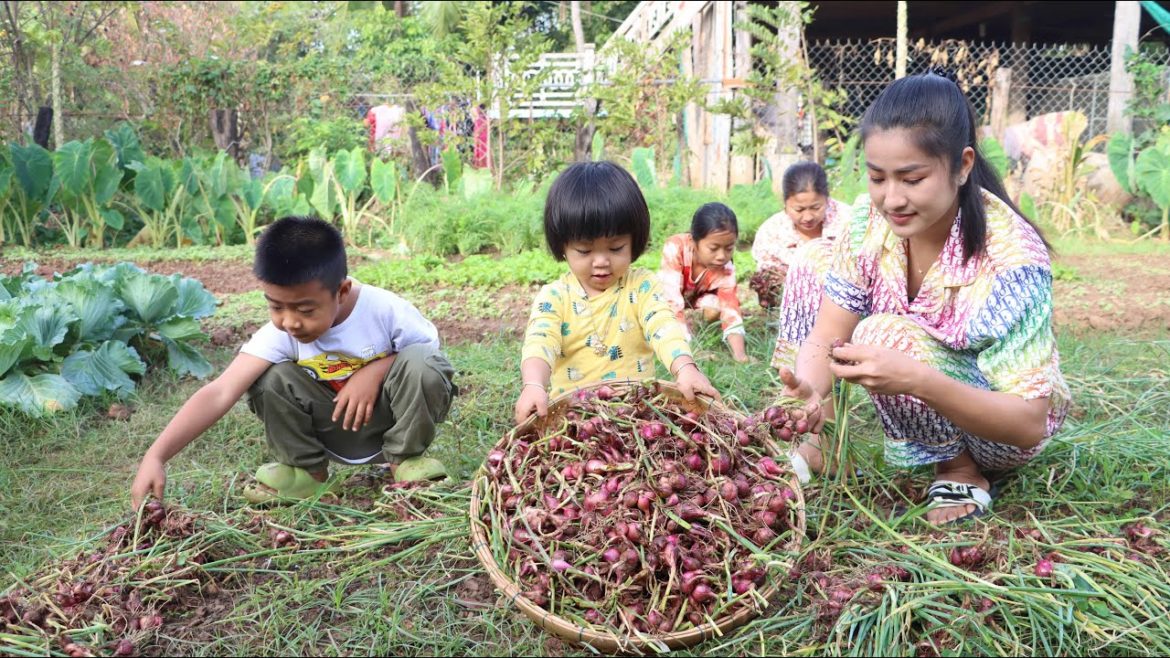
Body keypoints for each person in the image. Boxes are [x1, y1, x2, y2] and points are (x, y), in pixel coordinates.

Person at [776, 71, 1071, 526]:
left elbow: (1028, 421)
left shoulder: (1012, 259)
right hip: (919, 383)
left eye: (911, 179)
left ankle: (959, 470)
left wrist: (917, 380)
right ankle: (818, 445)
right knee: (812, 259)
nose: (891, 199)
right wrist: (811, 393)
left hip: (1000, 432)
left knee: (883, 335)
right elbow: (828, 331)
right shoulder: (868, 227)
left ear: (963, 165)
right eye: (878, 178)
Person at [131, 217, 457, 508]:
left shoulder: (385, 310)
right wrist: (156, 455)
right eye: (276, 307)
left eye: (304, 310)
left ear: (342, 291)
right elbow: (219, 392)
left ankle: (405, 463)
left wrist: (374, 370)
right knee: (271, 378)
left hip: (391, 420)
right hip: (330, 425)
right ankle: (308, 475)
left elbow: (428, 358)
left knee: (423, 362)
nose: (290, 322)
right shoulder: (281, 335)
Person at [514, 161, 720, 425]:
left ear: (634, 241)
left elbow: (664, 327)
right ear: (562, 245)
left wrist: (686, 369)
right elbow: (540, 343)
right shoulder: (555, 297)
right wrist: (533, 385)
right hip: (573, 422)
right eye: (585, 251)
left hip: (637, 418)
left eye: (616, 248)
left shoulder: (642, 287)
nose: (601, 261)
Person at [750, 163, 851, 310]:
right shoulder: (771, 233)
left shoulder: (848, 220)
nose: (808, 217)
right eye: (799, 209)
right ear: (785, 203)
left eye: (816, 208)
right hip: (793, 308)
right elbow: (769, 283)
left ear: (827, 199)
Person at [657, 202, 750, 363]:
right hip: (664, 301)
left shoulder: (725, 267)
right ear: (694, 241)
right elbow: (672, 303)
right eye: (713, 248)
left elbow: (730, 309)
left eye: (729, 248)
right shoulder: (676, 248)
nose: (721, 256)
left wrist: (740, 355)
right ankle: (683, 338)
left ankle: (699, 329)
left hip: (696, 302)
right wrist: (689, 353)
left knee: (715, 305)